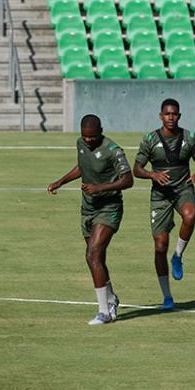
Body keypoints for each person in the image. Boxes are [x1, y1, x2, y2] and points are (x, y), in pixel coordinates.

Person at [48, 114, 133, 325]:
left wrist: (100, 188)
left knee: (92, 254)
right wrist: (60, 181)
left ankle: (104, 312)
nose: (87, 140)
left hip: (109, 207)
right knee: (97, 258)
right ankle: (112, 299)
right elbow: (82, 166)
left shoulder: (113, 151)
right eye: (84, 137)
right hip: (88, 208)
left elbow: (128, 180)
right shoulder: (80, 143)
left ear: (101, 131)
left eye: (92, 137)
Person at [133, 98, 195, 310]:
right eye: (167, 114)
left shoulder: (189, 138)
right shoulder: (149, 139)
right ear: (161, 116)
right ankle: (167, 297)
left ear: (179, 116)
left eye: (174, 114)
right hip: (160, 195)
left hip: (183, 189)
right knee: (159, 246)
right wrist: (152, 174)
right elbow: (136, 169)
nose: (171, 117)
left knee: (191, 215)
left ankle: (178, 256)